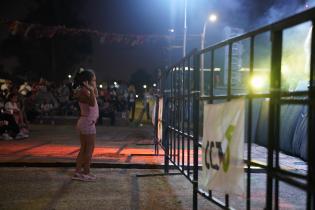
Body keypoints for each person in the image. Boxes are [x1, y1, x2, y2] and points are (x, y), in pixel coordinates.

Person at [72, 69, 99, 182]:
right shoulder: (83, 91)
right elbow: (92, 103)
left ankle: (78, 172)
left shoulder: (86, 90)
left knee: (84, 148)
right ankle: (85, 172)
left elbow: (96, 95)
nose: (95, 82)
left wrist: (93, 88)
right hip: (87, 122)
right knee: (89, 149)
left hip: (86, 121)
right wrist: (91, 89)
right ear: (87, 81)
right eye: (93, 80)